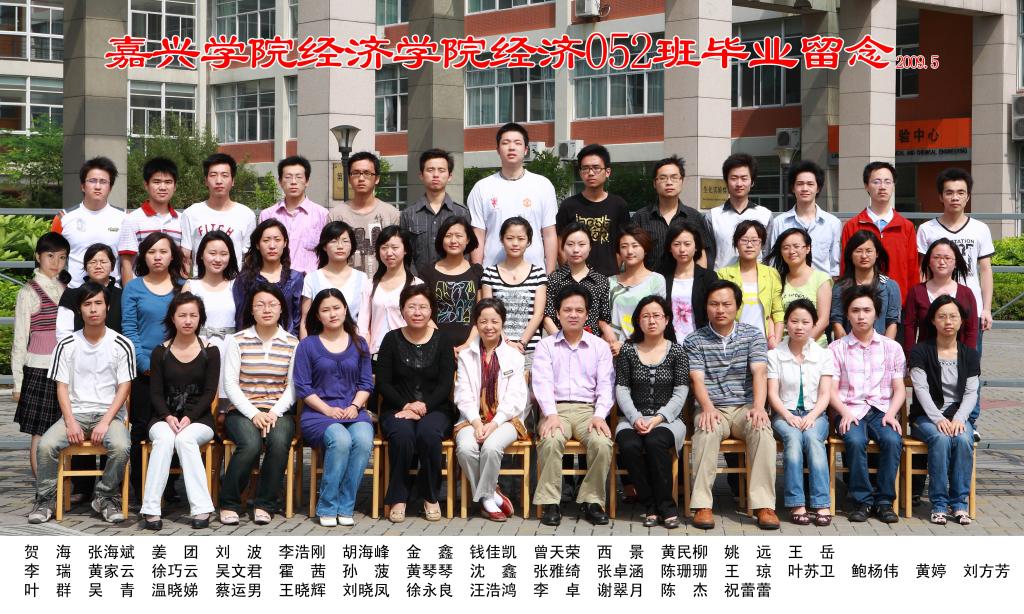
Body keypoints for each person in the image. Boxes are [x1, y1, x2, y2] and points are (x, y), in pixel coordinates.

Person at [28, 282, 134, 524]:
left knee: (121, 446)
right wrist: (70, 421)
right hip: (74, 414)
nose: (93, 309)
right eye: (87, 304)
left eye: (98, 303)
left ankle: (105, 496)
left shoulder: (122, 344)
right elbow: (61, 387)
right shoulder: (66, 345)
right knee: (45, 445)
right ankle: (46, 499)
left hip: (109, 416)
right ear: (79, 310)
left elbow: (124, 387)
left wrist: (105, 421)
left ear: (108, 307)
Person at [684, 279, 779, 530]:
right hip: (712, 407)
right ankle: (702, 505)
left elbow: (759, 373)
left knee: (762, 430)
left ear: (737, 306)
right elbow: (696, 379)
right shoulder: (694, 340)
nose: (720, 309)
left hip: (745, 407)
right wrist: (707, 407)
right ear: (706, 307)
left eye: (726, 304)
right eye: (714, 304)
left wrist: (759, 407)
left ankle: (763, 505)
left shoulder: (753, 335)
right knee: (706, 430)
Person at [532, 285, 615, 527]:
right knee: (551, 440)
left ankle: (592, 501)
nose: (573, 315)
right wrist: (550, 414)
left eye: (579, 310)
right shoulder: (546, 345)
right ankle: (551, 502)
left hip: (588, 411)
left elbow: (606, 385)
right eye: (567, 310)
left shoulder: (599, 346)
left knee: (602, 443)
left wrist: (600, 415)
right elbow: (541, 382)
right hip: (555, 409)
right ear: (557, 314)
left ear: (587, 314)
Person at [916, 168, 993, 429]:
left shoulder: (980, 229)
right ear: (940, 196)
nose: (955, 197)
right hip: (935, 313)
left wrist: (987, 308)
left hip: (969, 312)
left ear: (968, 196)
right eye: (949, 192)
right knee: (931, 365)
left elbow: (985, 270)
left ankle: (970, 422)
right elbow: (922, 270)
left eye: (961, 192)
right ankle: (932, 416)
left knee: (970, 364)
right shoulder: (926, 229)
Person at [376, 284, 456, 523]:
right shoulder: (391, 339)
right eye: (411, 307)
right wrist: (407, 406)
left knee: (429, 434)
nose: (417, 312)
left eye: (423, 307)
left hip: (436, 408)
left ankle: (430, 496)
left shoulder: (443, 340)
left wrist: (423, 407)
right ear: (402, 310)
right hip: (397, 408)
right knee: (402, 434)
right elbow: (383, 383)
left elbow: (445, 384)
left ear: (431, 310)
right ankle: (398, 497)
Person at [294, 288, 374, 527]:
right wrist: (327, 410)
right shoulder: (307, 345)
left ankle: (346, 505)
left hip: (352, 411)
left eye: (337, 308)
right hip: (318, 414)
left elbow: (366, 383)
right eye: (326, 310)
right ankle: (328, 505)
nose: (332, 314)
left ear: (345, 309)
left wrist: (355, 406)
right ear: (318, 316)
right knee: (340, 440)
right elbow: (303, 387)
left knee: (363, 439)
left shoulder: (359, 343)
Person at [220, 283, 299, 525]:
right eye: (260, 305)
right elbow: (230, 384)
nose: (266, 309)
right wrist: (254, 413)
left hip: (278, 411)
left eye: (273, 304)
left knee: (279, 442)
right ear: (251, 310)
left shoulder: (292, 342)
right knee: (250, 444)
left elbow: (292, 386)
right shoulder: (237, 340)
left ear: (281, 309)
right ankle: (229, 503)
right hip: (242, 411)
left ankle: (265, 503)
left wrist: (274, 412)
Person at [140, 293, 220, 530]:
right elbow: (155, 393)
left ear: (200, 318)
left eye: (193, 315)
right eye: (182, 315)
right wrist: (168, 416)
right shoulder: (160, 352)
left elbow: (210, 392)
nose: (188, 320)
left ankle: (202, 507)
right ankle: (151, 509)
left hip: (199, 419)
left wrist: (189, 417)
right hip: (163, 417)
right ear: (172, 318)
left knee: (185, 439)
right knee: (164, 439)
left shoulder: (211, 351)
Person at [829, 285, 906, 523]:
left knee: (893, 439)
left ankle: (884, 502)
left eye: (866, 310)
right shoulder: (836, 348)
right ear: (847, 314)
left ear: (876, 313)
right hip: (849, 409)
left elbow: (899, 388)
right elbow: (830, 390)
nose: (861, 316)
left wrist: (892, 414)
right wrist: (843, 413)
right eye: (855, 311)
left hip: (881, 410)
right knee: (854, 440)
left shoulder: (892, 347)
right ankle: (862, 501)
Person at [614, 296, 688, 529]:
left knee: (655, 441)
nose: (651, 321)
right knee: (628, 445)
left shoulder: (677, 352)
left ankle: (666, 506)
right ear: (638, 320)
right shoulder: (628, 350)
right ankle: (649, 505)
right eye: (645, 316)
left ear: (667, 319)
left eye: (657, 315)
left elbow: (681, 391)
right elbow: (622, 388)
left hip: (668, 420)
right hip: (632, 418)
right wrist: (635, 417)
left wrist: (657, 419)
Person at [121, 232, 185, 500]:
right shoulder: (133, 288)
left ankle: (170, 486)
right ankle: (140, 485)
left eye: (163, 251)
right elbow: (129, 329)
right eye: (151, 252)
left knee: (176, 426)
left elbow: (187, 327)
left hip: (178, 368)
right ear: (143, 256)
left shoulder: (182, 288)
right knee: (140, 427)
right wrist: (145, 364)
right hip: (144, 369)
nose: (157, 257)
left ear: (172, 256)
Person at [453, 299, 529, 521]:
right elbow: (463, 394)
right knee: (466, 448)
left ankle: (486, 498)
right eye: (483, 321)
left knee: (491, 447)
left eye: (494, 321)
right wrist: (477, 422)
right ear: (476, 324)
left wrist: (494, 423)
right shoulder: (466, 356)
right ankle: (491, 494)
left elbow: (516, 397)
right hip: (471, 419)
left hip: (506, 419)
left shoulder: (514, 356)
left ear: (502, 322)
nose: (489, 326)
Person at [908, 295, 979, 525]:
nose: (948, 321)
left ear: (961, 321)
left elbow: (971, 392)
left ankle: (959, 504)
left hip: (956, 416)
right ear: (933, 321)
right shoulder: (920, 351)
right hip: (925, 417)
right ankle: (938, 504)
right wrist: (938, 419)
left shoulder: (970, 354)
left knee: (964, 438)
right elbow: (920, 389)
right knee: (940, 438)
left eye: (953, 316)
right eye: (942, 316)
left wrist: (959, 418)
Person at [767, 299, 835, 526]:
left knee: (814, 440)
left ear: (814, 324)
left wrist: (811, 416)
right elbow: (772, 394)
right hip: (784, 414)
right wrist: (788, 416)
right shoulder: (775, 355)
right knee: (794, 439)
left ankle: (821, 503)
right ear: (786, 323)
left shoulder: (824, 354)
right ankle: (797, 503)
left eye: (805, 322)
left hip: (815, 413)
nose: (799, 326)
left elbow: (825, 394)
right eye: (794, 321)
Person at [12, 233, 69, 479]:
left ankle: (63, 486)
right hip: (39, 369)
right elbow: (19, 340)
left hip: (66, 369)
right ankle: (43, 487)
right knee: (40, 432)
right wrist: (18, 383)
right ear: (38, 257)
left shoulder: (67, 289)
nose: (56, 262)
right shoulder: (28, 292)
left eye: (62, 257)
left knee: (65, 429)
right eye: (50, 256)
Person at [468, 122, 557, 272]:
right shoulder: (482, 187)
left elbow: (549, 233)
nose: (511, 147)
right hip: (492, 273)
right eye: (505, 143)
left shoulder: (543, 185)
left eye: (517, 143)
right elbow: (478, 235)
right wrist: (478, 275)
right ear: (498, 149)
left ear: (526, 149)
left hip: (535, 274)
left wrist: (550, 274)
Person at [840, 161, 918, 300]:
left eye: (888, 182)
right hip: (860, 303)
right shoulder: (852, 226)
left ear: (893, 185)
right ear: (866, 186)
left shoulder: (906, 227)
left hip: (898, 303)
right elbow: (845, 268)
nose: (882, 187)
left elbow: (913, 270)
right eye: (876, 182)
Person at [480, 217, 548, 369]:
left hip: (530, 350)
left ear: (529, 241)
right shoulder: (489, 274)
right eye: (510, 238)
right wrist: (506, 342)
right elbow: (488, 313)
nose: (515, 243)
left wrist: (522, 343)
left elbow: (538, 313)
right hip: (496, 347)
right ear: (501, 240)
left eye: (521, 239)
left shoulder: (538, 274)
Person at [555, 144, 631, 276]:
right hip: (575, 278)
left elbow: (623, 243)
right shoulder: (568, 205)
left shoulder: (619, 205)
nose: (590, 173)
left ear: (607, 172)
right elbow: (560, 244)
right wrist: (571, 275)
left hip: (610, 278)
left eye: (596, 168)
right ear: (580, 173)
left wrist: (615, 272)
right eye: (585, 168)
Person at [632, 155, 716, 271]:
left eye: (674, 177)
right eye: (663, 178)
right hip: (651, 281)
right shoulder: (640, 217)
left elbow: (701, 255)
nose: (669, 182)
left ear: (682, 181)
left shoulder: (694, 217)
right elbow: (633, 253)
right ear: (654, 183)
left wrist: (700, 279)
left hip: (686, 281)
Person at [52, 156, 125, 288]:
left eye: (103, 182)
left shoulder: (124, 218)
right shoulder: (63, 218)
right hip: (74, 292)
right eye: (92, 181)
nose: (97, 186)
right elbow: (52, 259)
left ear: (110, 187)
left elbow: (129, 262)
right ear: (83, 186)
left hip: (113, 293)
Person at [183, 230, 238, 402]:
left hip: (230, 349)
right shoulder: (191, 286)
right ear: (201, 255)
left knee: (227, 401)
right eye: (212, 253)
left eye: (224, 254)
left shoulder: (237, 285)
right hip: (198, 349)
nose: (218, 259)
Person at [179, 153, 257, 274]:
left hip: (233, 282)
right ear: (206, 181)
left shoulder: (247, 215)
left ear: (233, 181)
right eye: (213, 175)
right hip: (200, 281)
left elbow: (248, 257)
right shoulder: (191, 213)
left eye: (224, 175)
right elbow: (186, 255)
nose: (219, 181)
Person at [327, 151, 401, 278]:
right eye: (356, 173)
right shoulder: (336, 215)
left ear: (377, 178)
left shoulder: (391, 214)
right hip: (345, 282)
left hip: (382, 282)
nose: (361, 178)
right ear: (349, 178)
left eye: (367, 173)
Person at [765, 160, 842, 276]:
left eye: (810, 184)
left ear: (818, 188)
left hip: (822, 285)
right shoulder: (779, 222)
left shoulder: (832, 223)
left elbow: (835, 265)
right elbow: (772, 261)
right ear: (793, 188)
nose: (805, 188)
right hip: (787, 284)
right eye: (800, 184)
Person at [400, 148, 470, 274]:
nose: (436, 175)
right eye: (430, 170)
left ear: (449, 176)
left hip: (452, 281)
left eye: (441, 170)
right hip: (418, 282)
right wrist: (415, 281)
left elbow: (467, 252)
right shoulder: (408, 214)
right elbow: (405, 253)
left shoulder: (461, 213)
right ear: (421, 175)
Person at [419, 215, 484, 351]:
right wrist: (444, 345)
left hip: (471, 347)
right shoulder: (427, 272)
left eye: (459, 236)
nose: (453, 240)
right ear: (441, 239)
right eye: (448, 236)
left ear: (468, 239)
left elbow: (481, 312)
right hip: (435, 346)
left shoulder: (477, 272)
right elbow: (423, 312)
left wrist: (467, 345)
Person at [716, 221, 785, 349]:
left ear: (762, 244)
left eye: (755, 240)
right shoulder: (723, 274)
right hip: (733, 345)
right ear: (736, 244)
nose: (749, 245)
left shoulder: (771, 274)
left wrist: (775, 341)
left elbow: (778, 312)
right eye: (744, 240)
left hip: (764, 344)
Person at [904, 238, 978, 353]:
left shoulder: (966, 294)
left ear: (956, 263)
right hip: (925, 357)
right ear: (929, 261)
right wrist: (911, 357)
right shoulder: (916, 292)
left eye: (947, 258)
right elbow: (909, 327)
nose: (942, 262)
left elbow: (971, 330)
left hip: (958, 357)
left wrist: (968, 358)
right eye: (936, 257)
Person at [357, 226, 422, 356]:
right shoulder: (370, 285)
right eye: (384, 247)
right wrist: (364, 353)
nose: (389, 253)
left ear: (405, 250)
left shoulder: (416, 285)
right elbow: (363, 325)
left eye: (394, 247)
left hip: (408, 354)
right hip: (377, 354)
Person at [232, 219, 305, 335]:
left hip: (287, 342)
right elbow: (240, 317)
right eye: (266, 240)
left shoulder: (295, 278)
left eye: (277, 240)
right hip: (252, 342)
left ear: (285, 243)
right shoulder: (245, 279)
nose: (272, 246)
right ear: (257, 244)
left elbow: (298, 318)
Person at [259, 155, 329, 274]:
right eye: (288, 177)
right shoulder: (267, 215)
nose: (293, 182)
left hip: (310, 280)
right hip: (276, 280)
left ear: (307, 181)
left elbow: (328, 252)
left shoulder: (322, 214)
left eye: (299, 177)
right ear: (280, 182)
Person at [118, 157, 182, 283]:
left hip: (174, 289)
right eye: (157, 182)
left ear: (175, 186)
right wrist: (129, 293)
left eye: (168, 182)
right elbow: (126, 264)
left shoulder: (182, 220)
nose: (162, 187)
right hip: (142, 290)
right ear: (146, 185)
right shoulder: (132, 220)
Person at [300, 221, 369, 338]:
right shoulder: (311, 278)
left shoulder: (362, 278)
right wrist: (305, 347)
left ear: (352, 246)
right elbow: (305, 321)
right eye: (333, 241)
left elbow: (365, 321)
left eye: (345, 241)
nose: (340, 246)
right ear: (324, 246)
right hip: (319, 343)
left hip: (352, 343)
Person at [543, 223, 612, 338]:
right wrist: (562, 341)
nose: (575, 250)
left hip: (591, 344)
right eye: (570, 244)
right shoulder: (553, 280)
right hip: (559, 343)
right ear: (563, 247)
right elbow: (547, 317)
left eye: (581, 244)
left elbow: (604, 318)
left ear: (590, 247)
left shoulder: (601, 281)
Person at [830, 230, 901, 340]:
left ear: (877, 253)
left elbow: (892, 321)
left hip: (881, 346)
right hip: (848, 346)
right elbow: (836, 320)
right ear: (850, 255)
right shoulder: (840, 287)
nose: (864, 256)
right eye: (858, 251)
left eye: (869, 251)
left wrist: (886, 347)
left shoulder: (889, 286)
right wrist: (846, 346)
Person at [606, 225, 666, 354]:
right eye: (624, 246)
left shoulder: (656, 281)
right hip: (612, 349)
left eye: (635, 245)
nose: (629, 251)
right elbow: (602, 316)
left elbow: (658, 319)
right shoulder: (610, 282)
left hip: (645, 349)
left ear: (645, 249)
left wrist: (626, 346)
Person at [706, 153, 773, 270]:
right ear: (726, 181)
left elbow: (768, 254)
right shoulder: (712, 216)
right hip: (721, 279)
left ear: (752, 182)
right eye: (734, 178)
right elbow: (709, 256)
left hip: (756, 279)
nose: (739, 184)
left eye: (744, 178)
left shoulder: (765, 215)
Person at [767, 228, 832, 346]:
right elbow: (771, 315)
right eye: (786, 247)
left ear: (808, 248)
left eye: (796, 246)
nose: (791, 251)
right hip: (783, 346)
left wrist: (799, 346)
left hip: (814, 346)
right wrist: (775, 342)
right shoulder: (776, 279)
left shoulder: (821, 278)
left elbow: (823, 321)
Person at [658, 221, 718, 341]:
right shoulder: (661, 277)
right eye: (676, 244)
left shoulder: (708, 277)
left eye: (687, 244)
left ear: (696, 247)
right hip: (669, 342)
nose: (682, 249)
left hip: (701, 341)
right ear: (669, 248)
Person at [57, 243, 122, 340]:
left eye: (103, 262)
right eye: (93, 262)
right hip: (78, 348)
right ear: (85, 267)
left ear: (112, 266)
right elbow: (63, 333)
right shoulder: (71, 295)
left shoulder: (123, 296)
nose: (98, 266)